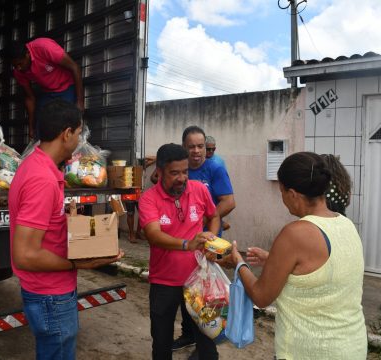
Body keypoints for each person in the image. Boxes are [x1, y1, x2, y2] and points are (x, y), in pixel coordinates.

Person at [218, 151, 367, 359]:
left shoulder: (295, 233)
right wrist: (273, 259)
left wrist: (239, 263)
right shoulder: (345, 224)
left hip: (307, 351)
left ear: (293, 194)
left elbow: (261, 296)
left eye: (281, 192)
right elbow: (324, 270)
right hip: (352, 346)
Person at [9, 100, 123, 359]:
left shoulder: (37, 166)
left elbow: (43, 226)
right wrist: (79, 265)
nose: (81, 139)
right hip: (50, 295)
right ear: (66, 133)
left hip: (49, 291)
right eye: (79, 132)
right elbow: (25, 254)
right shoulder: (42, 179)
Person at [138, 143, 221, 360]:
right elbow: (153, 235)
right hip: (164, 283)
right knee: (162, 343)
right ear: (159, 172)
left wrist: (212, 241)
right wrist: (187, 244)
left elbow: (214, 216)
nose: (182, 178)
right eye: (175, 173)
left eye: (185, 172)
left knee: (207, 342)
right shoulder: (148, 199)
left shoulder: (199, 189)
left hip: (199, 281)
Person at [174, 126, 235, 354]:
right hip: (184, 244)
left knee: (208, 296)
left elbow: (229, 202)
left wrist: (206, 225)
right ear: (184, 148)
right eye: (192, 147)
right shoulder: (180, 168)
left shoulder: (215, 167)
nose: (197, 151)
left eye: (201, 146)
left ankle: (206, 346)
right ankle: (188, 334)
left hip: (207, 245)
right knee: (187, 293)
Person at [5, 38, 84, 139]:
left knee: (65, 127)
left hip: (66, 87)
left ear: (27, 54)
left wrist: (80, 101)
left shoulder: (44, 47)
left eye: (20, 64)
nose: (18, 68)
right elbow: (30, 98)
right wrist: (31, 127)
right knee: (41, 129)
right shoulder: (18, 71)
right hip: (48, 93)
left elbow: (75, 67)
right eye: (15, 66)